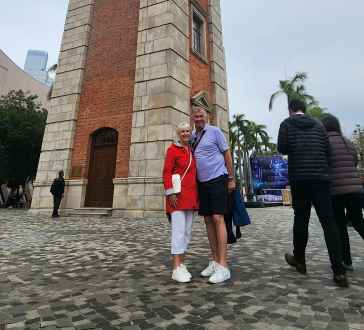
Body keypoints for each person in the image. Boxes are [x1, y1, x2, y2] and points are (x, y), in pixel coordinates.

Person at [278, 99, 348, 287]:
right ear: (305, 109)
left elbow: (282, 148)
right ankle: (339, 271)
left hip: (300, 179)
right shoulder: (319, 125)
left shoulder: (286, 123)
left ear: (291, 109)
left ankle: (300, 260)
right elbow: (327, 151)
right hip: (321, 179)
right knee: (329, 222)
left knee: (301, 219)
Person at [191, 107, 236, 284]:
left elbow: (227, 153)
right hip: (202, 183)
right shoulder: (194, 136)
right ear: (193, 118)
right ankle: (215, 260)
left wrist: (231, 178)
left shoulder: (215, 131)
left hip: (218, 178)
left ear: (207, 117)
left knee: (218, 217)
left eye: (201, 115)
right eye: (196, 116)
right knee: (208, 220)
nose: (199, 118)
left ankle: (224, 266)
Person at [321, 114, 364, 271]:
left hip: (335, 191)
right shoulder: (348, 143)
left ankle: (347, 261)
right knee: (359, 222)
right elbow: (354, 162)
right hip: (356, 190)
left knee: (340, 227)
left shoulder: (324, 143)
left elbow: (324, 166)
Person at [163, 123, 199, 283]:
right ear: (178, 134)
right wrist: (170, 193)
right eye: (182, 131)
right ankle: (176, 267)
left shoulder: (192, 150)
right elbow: (166, 172)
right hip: (177, 197)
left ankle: (182, 263)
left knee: (187, 232)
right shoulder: (172, 150)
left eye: (188, 131)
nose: (185, 133)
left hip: (191, 197)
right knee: (178, 232)